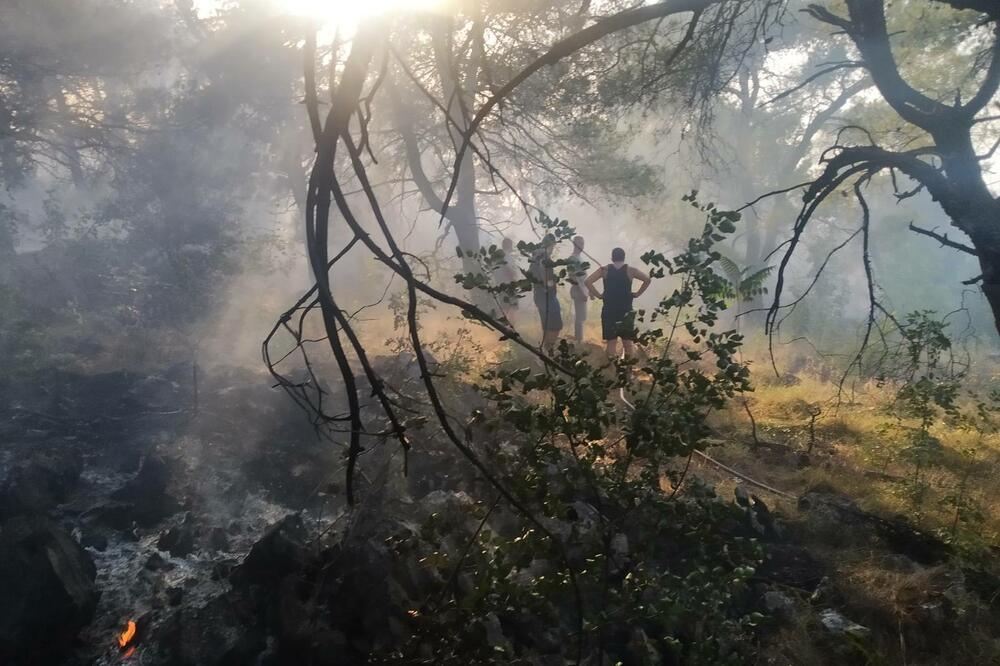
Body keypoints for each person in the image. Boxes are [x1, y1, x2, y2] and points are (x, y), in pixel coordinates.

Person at [585, 247, 651, 358]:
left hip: (609, 310)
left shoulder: (604, 270)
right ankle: (627, 370)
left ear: (612, 258)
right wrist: (637, 293)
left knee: (611, 343)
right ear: (624, 257)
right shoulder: (630, 270)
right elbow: (647, 279)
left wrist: (599, 295)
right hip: (626, 311)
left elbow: (587, 281)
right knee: (627, 343)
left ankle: (612, 370)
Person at [529, 234, 562, 352]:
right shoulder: (545, 259)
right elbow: (546, 279)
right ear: (551, 244)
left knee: (547, 324)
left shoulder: (534, 259)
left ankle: (546, 351)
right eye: (553, 246)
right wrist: (549, 286)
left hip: (538, 295)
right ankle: (549, 349)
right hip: (547, 296)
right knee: (556, 325)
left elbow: (530, 276)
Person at [567, 235, 589, 342]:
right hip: (577, 289)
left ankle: (579, 338)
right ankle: (578, 340)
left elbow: (584, 277)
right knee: (580, 316)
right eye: (580, 244)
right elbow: (575, 277)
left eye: (583, 244)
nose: (582, 246)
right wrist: (583, 292)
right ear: (574, 244)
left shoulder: (579, 258)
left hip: (582, 289)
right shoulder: (572, 258)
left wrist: (589, 290)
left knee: (582, 316)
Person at [497, 237, 521, 322]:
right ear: (509, 246)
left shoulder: (498, 257)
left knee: (504, 309)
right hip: (509, 286)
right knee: (512, 309)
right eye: (511, 245)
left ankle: (505, 328)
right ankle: (512, 329)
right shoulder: (507, 256)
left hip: (501, 286)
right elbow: (508, 269)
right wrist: (514, 279)